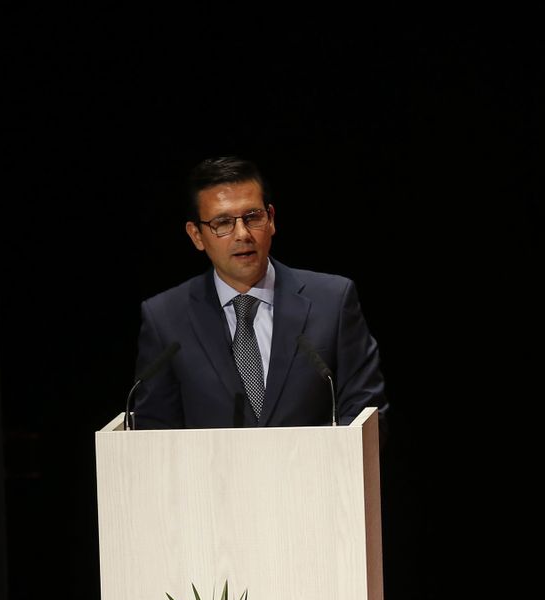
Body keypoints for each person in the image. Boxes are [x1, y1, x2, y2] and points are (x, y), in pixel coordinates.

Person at [131, 157, 388, 429]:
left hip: (314, 470)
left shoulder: (332, 302)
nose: (242, 234)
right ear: (196, 235)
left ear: (271, 219)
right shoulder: (165, 318)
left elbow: (365, 412)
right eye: (223, 223)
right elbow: (154, 430)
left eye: (252, 217)